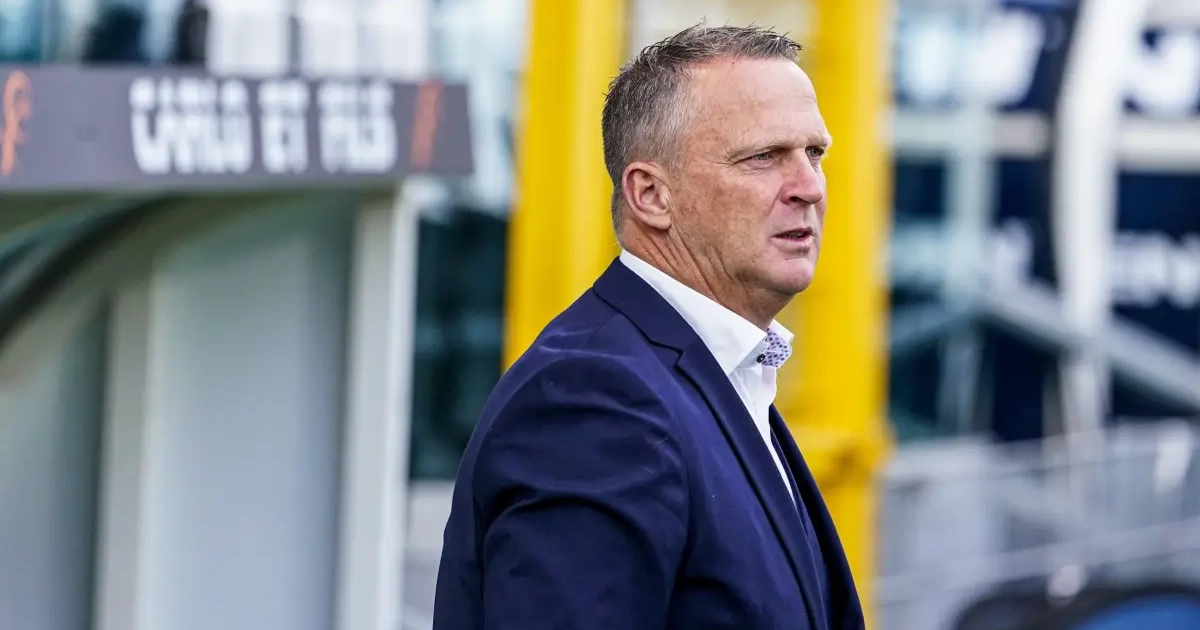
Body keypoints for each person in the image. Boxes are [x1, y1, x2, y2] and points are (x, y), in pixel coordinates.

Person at [432, 23, 865, 630]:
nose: (809, 188)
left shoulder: (720, 375)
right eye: (763, 157)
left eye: (814, 154)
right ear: (651, 195)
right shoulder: (594, 399)